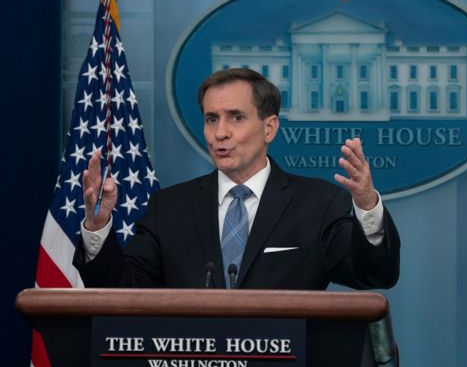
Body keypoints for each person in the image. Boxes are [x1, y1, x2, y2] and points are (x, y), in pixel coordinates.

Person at [74, 68, 400, 290]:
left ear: (269, 127)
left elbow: (374, 275)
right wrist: (98, 228)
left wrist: (368, 207)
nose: (220, 133)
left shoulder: (319, 204)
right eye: (211, 119)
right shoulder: (168, 208)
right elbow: (122, 293)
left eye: (236, 117)